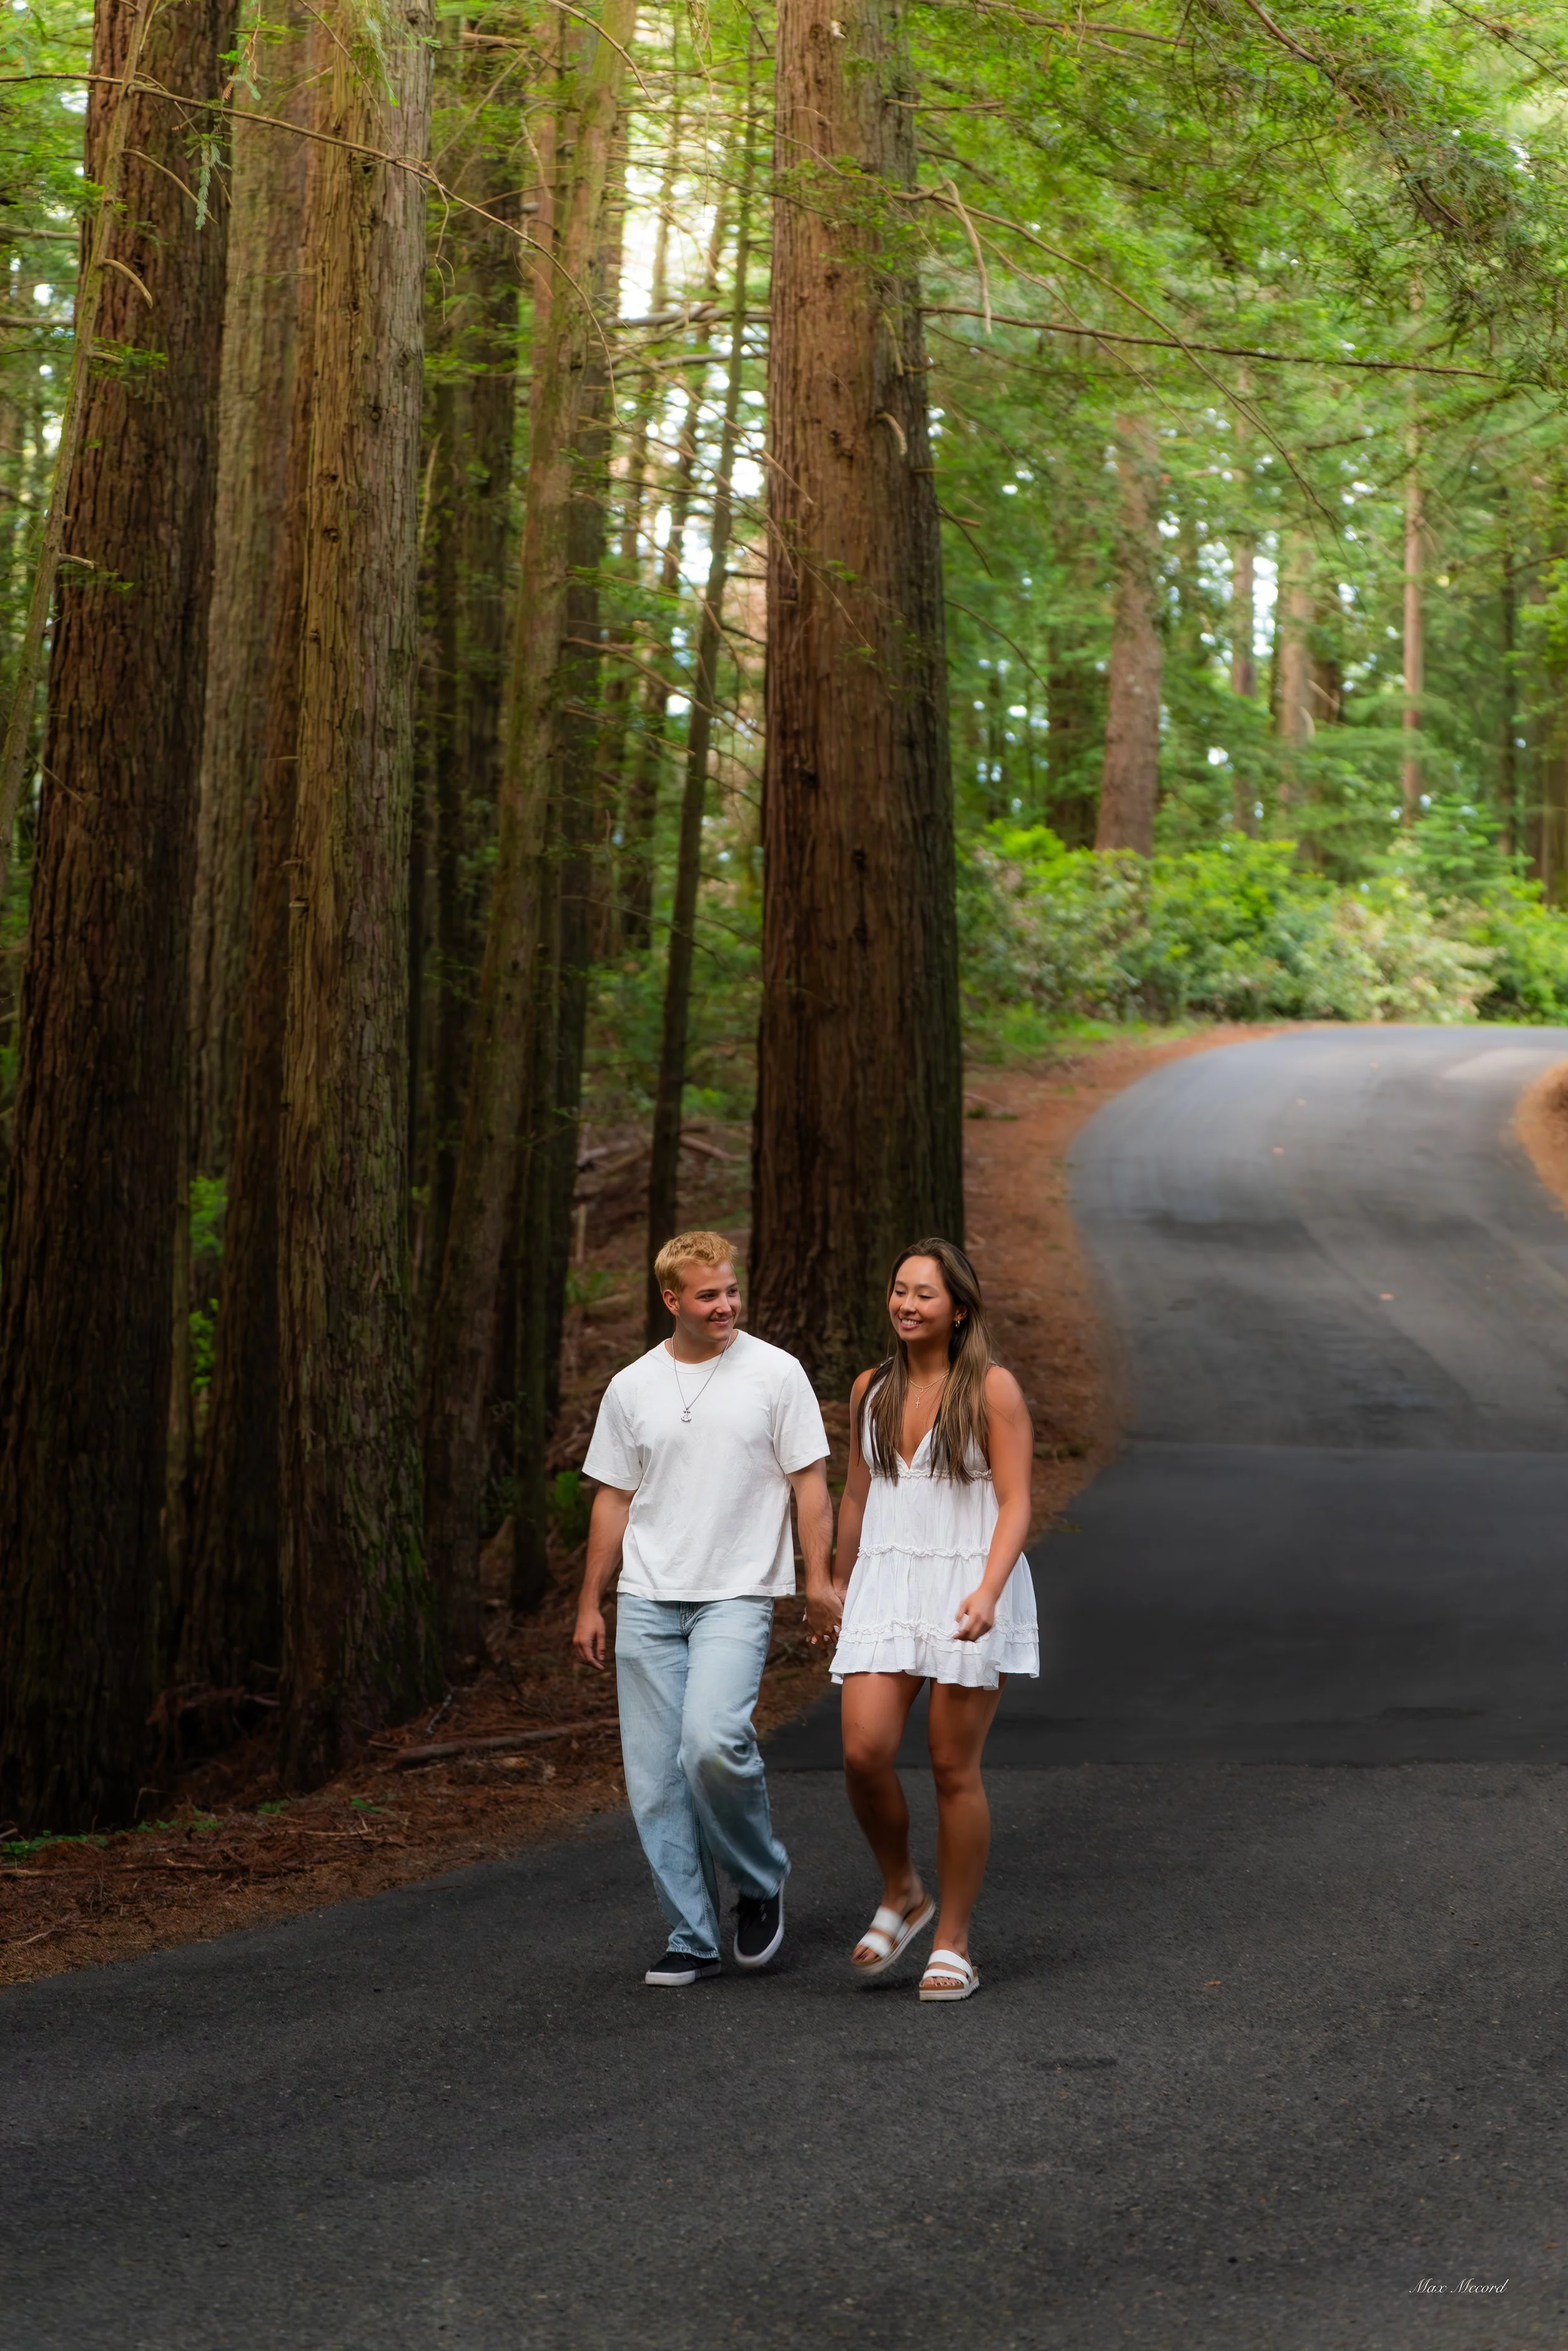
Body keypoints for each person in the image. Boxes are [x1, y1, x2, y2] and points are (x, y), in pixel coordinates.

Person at [574, 1230, 835, 1987]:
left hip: (735, 1592)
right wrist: (590, 1601)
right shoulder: (632, 1387)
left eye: (730, 1291)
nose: (725, 1305)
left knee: (711, 1744)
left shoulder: (774, 1373)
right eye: (707, 1295)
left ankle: (759, 1877)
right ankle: (691, 1933)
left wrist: (816, 1578)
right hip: (648, 1598)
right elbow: (614, 1500)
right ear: (671, 1300)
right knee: (655, 1782)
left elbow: (809, 1481)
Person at [825, 1238, 1038, 2002]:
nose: (907, 1304)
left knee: (952, 1766)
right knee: (862, 1750)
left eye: (924, 1294)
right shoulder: (869, 1390)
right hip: (888, 1579)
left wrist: (989, 1589)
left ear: (959, 1309)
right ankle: (901, 1889)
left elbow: (1014, 1500)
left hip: (966, 1582)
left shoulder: (991, 1390)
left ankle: (954, 1942)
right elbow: (856, 1494)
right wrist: (835, 1579)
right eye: (899, 1290)